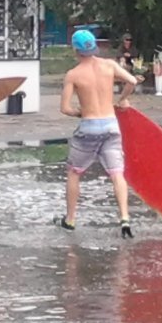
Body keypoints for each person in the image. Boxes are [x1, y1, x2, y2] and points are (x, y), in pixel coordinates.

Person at [58, 29, 138, 238]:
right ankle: (124, 218)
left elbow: (65, 108)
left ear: (75, 49)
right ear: (94, 47)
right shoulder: (110, 65)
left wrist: (80, 112)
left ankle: (70, 220)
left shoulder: (73, 74)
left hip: (89, 127)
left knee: (75, 172)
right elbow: (133, 81)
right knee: (117, 174)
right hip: (111, 125)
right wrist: (120, 101)